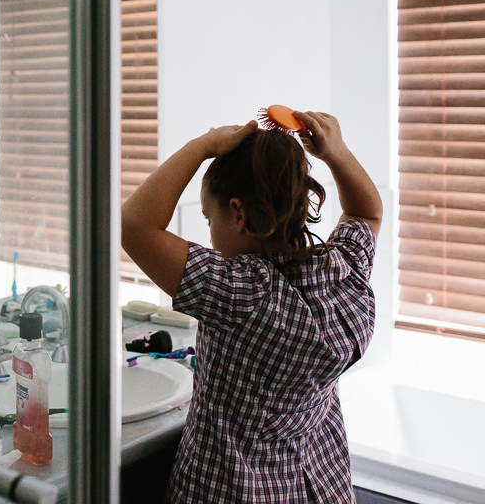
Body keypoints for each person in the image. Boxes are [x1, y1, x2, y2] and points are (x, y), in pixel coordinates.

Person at [122, 111, 382, 504]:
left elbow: (133, 226)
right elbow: (366, 212)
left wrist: (203, 146)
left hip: (235, 490)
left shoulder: (240, 291)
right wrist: (337, 152)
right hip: (322, 482)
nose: (209, 231)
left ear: (239, 213)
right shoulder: (342, 269)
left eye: (210, 218)